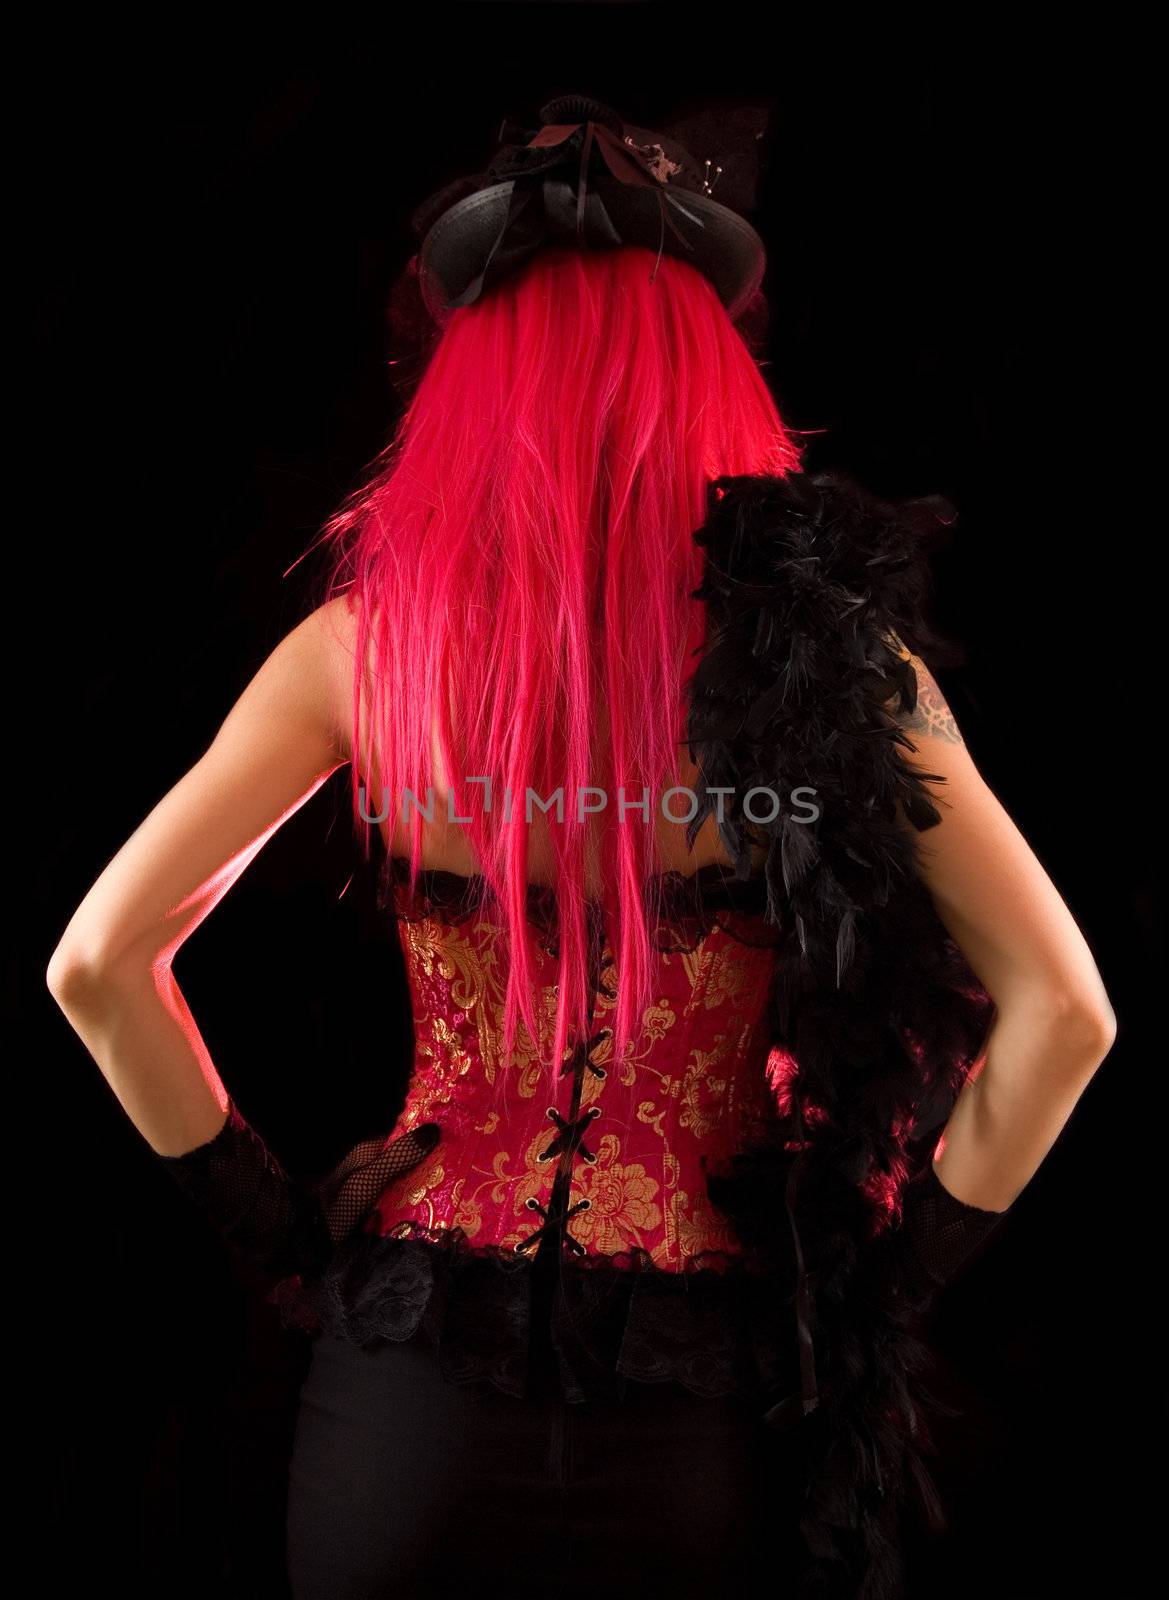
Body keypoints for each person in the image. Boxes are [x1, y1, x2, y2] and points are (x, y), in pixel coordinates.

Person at [46, 94, 1116, 1600]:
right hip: (713, 1405)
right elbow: (1065, 1017)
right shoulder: (843, 670)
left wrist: (279, 1229)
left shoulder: (362, 657)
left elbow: (97, 967)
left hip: (402, 1401)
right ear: (711, 382)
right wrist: (889, 1276)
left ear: (470, 389)